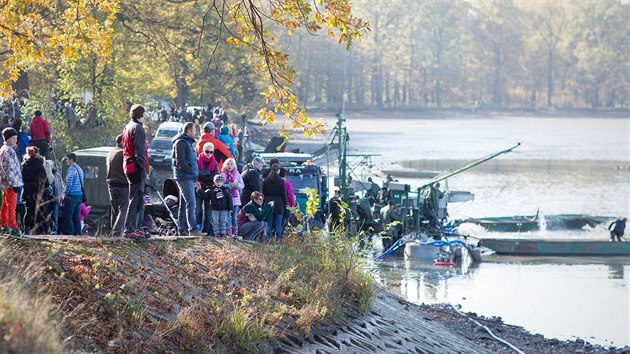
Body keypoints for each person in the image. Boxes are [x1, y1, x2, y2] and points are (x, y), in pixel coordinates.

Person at [122, 104, 149, 240]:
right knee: (135, 198)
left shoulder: (127, 127)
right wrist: (143, 168)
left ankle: (135, 227)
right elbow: (140, 150)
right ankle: (131, 228)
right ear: (141, 115)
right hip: (136, 167)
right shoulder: (138, 128)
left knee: (137, 198)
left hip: (129, 165)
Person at [172, 122, 202, 236]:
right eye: (194, 130)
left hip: (188, 177)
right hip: (184, 176)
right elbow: (180, 161)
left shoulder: (187, 143)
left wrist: (194, 176)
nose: (196, 132)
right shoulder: (181, 142)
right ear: (188, 131)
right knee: (191, 203)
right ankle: (193, 230)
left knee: (184, 204)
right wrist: (191, 171)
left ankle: (182, 230)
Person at [0, 128, 24, 237]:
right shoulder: (9, 150)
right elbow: (9, 169)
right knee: (11, 205)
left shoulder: (3, 149)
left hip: (5, 183)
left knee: (5, 204)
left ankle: (4, 225)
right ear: (8, 139)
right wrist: (14, 184)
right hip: (11, 183)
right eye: (13, 138)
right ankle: (13, 227)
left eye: (16, 138)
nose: (15, 140)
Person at [21, 146, 49, 235]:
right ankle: (43, 231)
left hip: (28, 191)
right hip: (38, 192)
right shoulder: (40, 165)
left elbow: (21, 179)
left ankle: (26, 230)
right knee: (41, 211)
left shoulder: (24, 165)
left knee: (28, 211)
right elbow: (45, 181)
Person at [106, 134, 129, 237]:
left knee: (114, 210)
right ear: (122, 142)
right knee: (124, 209)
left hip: (111, 184)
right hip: (122, 184)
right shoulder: (122, 153)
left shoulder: (110, 153)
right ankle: (117, 232)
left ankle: (112, 232)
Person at [196, 142, 218, 235]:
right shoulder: (197, 160)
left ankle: (205, 230)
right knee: (197, 209)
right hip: (198, 187)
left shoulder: (215, 162)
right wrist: (208, 173)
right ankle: (196, 228)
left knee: (208, 212)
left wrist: (204, 174)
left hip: (209, 188)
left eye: (211, 152)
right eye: (207, 151)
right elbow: (196, 174)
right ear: (203, 150)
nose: (209, 154)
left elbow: (215, 176)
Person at [262, 163, 287, 239]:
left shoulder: (266, 180)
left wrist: (263, 204)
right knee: (278, 225)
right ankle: (277, 240)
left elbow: (263, 193)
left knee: (268, 224)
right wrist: (285, 205)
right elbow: (284, 194)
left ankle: (268, 240)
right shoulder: (281, 181)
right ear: (278, 171)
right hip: (279, 204)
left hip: (268, 202)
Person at [60, 153, 83, 235]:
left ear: (71, 159)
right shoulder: (79, 168)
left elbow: (69, 183)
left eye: (67, 159)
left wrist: (66, 194)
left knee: (68, 215)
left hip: (71, 195)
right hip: (79, 195)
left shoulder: (71, 169)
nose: (66, 161)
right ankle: (78, 233)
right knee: (76, 215)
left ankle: (69, 232)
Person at [220, 157, 243, 237]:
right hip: (226, 198)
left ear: (234, 165)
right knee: (227, 216)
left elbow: (242, 185)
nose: (229, 166)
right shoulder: (223, 174)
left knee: (234, 216)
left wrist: (236, 185)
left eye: (231, 164)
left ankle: (235, 232)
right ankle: (228, 231)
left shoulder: (237, 174)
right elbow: (220, 185)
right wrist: (229, 186)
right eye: (228, 164)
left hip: (235, 199)